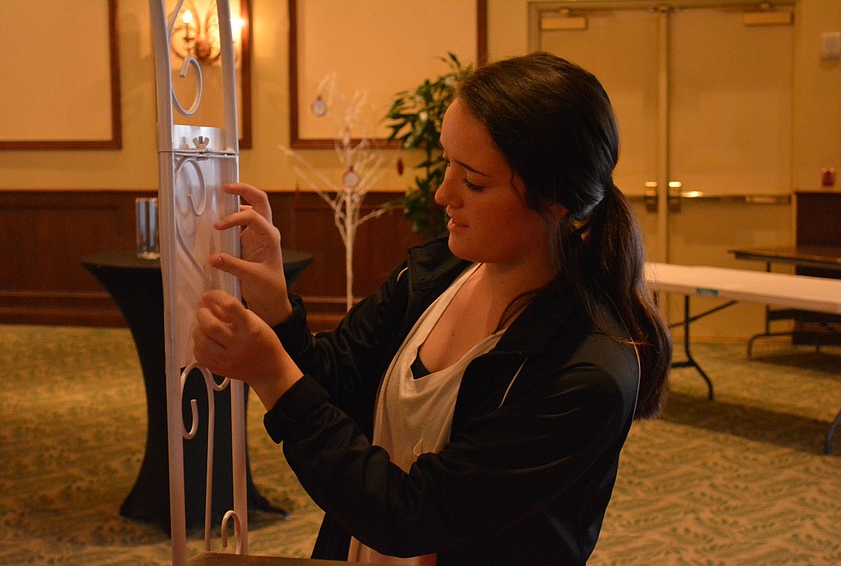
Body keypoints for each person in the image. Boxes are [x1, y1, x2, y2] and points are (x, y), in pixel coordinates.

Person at [193, 52, 672, 565]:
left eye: (474, 182)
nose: (444, 194)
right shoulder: (442, 270)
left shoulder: (586, 371)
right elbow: (334, 386)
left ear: (555, 200)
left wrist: (271, 376)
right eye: (446, 164)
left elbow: (411, 516)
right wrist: (274, 304)